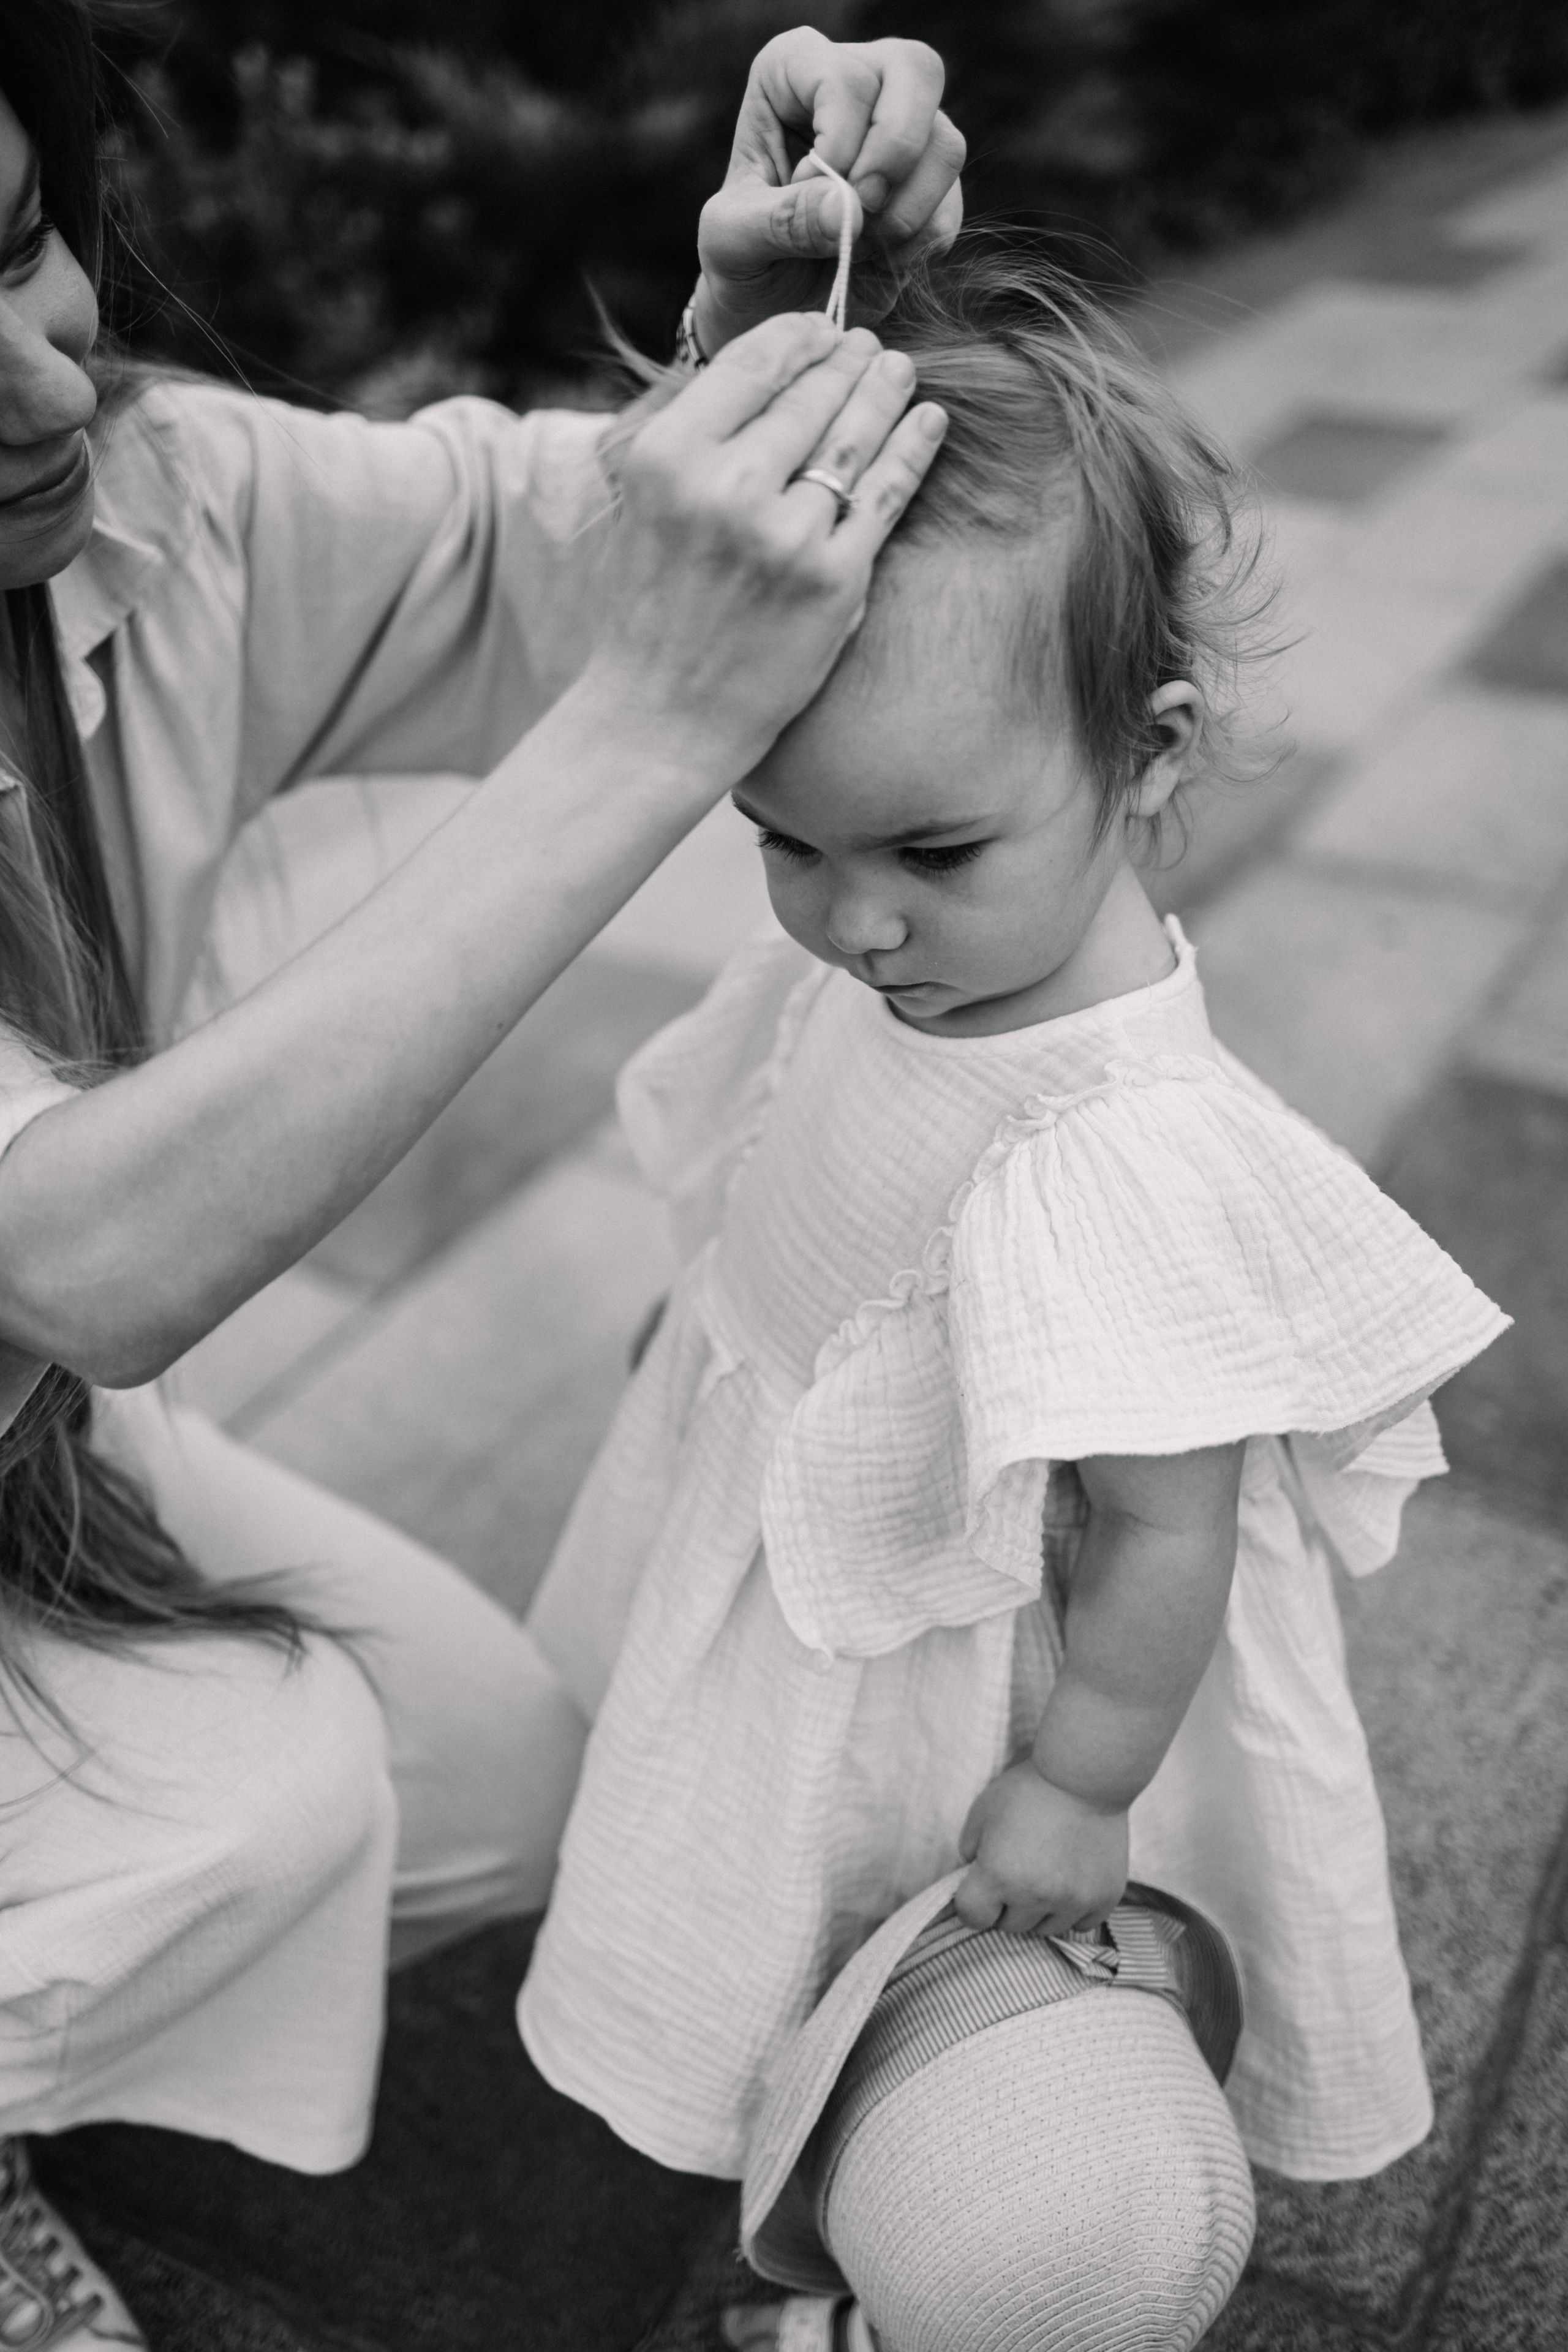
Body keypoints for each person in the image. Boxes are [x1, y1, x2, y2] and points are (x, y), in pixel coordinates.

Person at [0, 3, 967, 2343]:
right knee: (267, 1799)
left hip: (30, 1458)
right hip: (54, 1363)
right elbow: (86, 1255)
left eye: (26, 251)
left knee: (494, 1784)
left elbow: (550, 551)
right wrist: (658, 719)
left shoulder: (145, 491)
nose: (45, 386)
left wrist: (755, 350)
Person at [516, 246, 1509, 2350]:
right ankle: (847, 2151)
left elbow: (1171, 1517)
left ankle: (942, 2244)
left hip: (996, 1659)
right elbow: (782, 1167)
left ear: (1149, 754)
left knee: (938, 1934)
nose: (854, 921)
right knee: (792, 1909)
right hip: (819, 1536)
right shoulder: (887, 948)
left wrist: (1078, 1782)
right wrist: (711, 1344)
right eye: (787, 841)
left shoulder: (1115, 1143)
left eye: (935, 853)